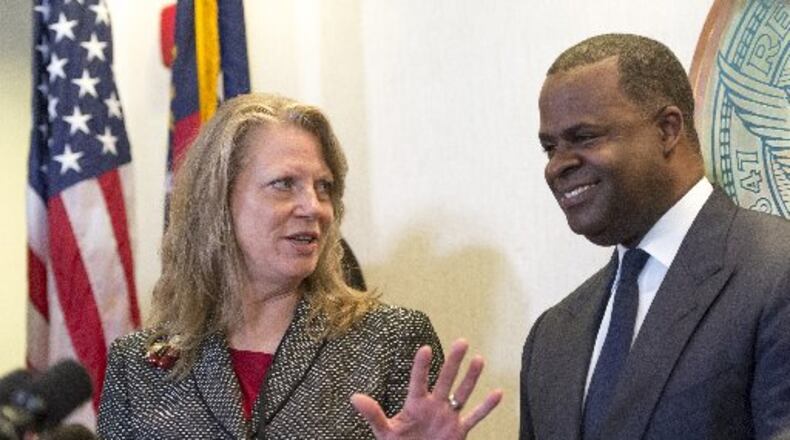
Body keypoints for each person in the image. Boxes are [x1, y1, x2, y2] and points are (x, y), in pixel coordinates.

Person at [97, 94, 502, 439]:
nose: (313, 208)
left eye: (323, 187)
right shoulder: (137, 367)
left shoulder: (389, 342)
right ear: (218, 200)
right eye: (284, 184)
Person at [521, 34, 790, 440]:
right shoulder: (551, 338)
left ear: (667, 129)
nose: (557, 167)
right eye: (549, 148)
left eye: (584, 137)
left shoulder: (775, 271)